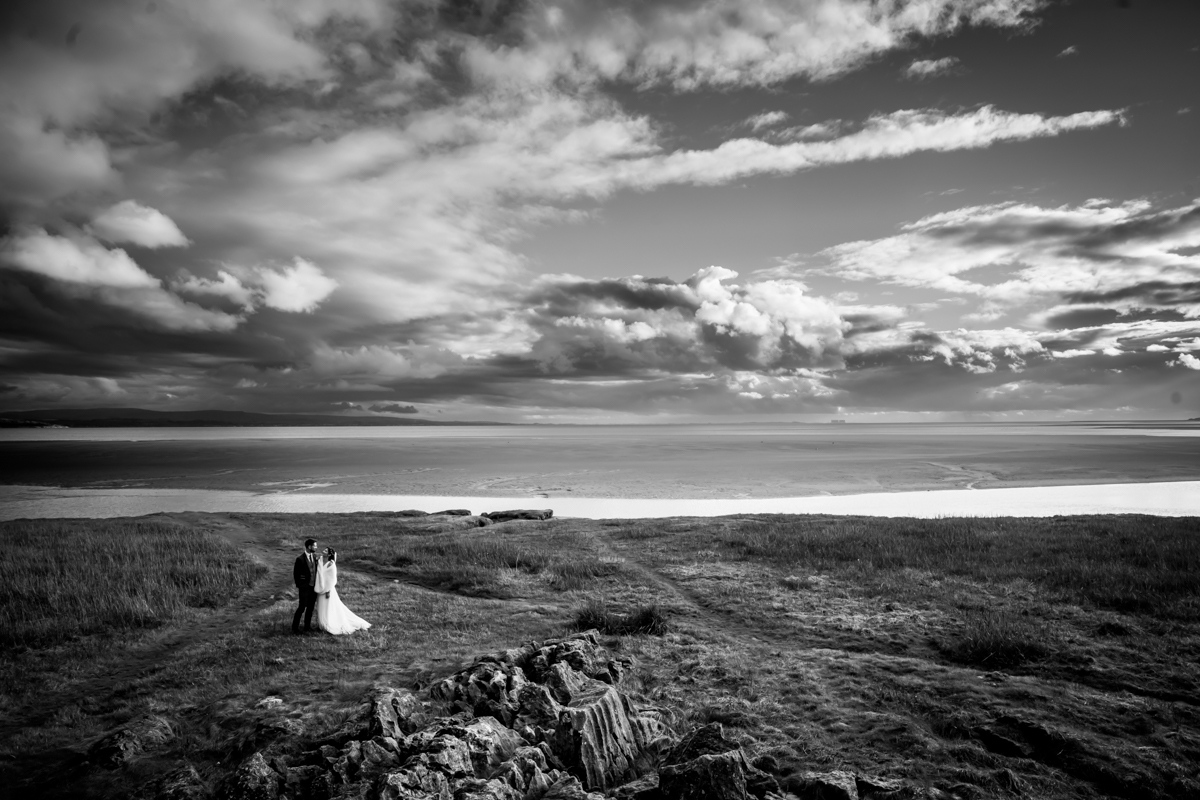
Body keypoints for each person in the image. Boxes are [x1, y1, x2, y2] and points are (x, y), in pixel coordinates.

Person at [313, 547, 371, 635]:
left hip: (327, 591)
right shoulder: (326, 562)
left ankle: (328, 624)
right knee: (323, 607)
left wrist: (328, 590)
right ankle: (323, 624)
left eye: (325, 551)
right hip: (323, 589)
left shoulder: (331, 564)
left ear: (329, 554)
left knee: (327, 608)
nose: (323, 551)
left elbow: (331, 580)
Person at [292, 538, 319, 634]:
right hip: (304, 588)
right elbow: (296, 574)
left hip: (313, 588)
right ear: (309, 546)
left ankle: (307, 627)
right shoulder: (300, 559)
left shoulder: (315, 557)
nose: (316, 547)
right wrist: (300, 586)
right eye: (314, 546)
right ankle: (295, 628)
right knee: (302, 607)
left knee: (310, 608)